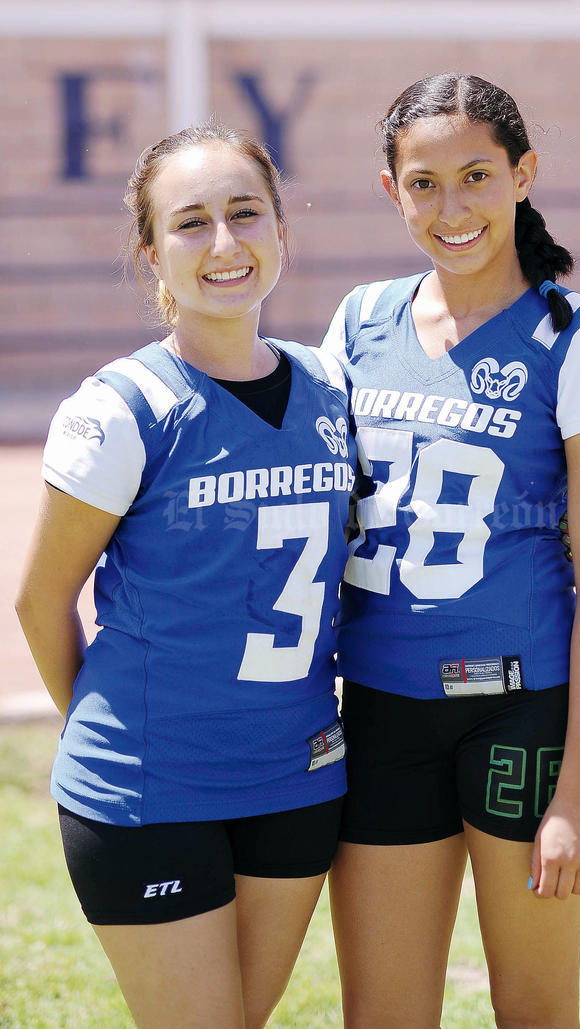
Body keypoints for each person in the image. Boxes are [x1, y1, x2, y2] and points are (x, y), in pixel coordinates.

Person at [322, 73, 580, 1029]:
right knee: (382, 1012)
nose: (452, 206)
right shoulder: (360, 320)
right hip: (381, 709)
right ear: (393, 191)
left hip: (523, 712)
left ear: (522, 175)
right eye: (423, 183)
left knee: (536, 1006)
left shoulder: (579, 339)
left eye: (475, 175)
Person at [15, 121, 356, 1029]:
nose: (225, 244)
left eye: (246, 214)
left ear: (282, 227)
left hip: (298, 779)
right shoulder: (120, 408)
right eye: (191, 223)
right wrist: (120, 733)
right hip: (150, 787)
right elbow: (41, 599)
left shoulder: (333, 388)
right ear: (151, 255)